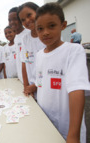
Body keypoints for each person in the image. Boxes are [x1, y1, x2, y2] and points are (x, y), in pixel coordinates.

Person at [35, 3, 89, 143]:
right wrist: (32, 87)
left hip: (67, 129)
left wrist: (73, 135)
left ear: (63, 25)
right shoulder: (39, 55)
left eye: (51, 26)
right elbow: (40, 82)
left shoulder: (73, 51)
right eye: (40, 28)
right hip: (45, 124)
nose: (45, 32)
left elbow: (77, 90)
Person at [17, 2, 45, 97]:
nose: (27, 21)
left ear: (38, 12)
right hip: (32, 90)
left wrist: (36, 86)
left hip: (46, 87)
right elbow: (24, 63)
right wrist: (26, 87)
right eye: (23, 20)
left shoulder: (48, 37)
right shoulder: (25, 39)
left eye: (29, 15)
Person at [8, 7, 30, 82]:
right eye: (9, 20)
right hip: (21, 80)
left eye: (15, 19)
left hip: (31, 82)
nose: (12, 22)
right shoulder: (16, 37)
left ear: (21, 19)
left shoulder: (29, 34)